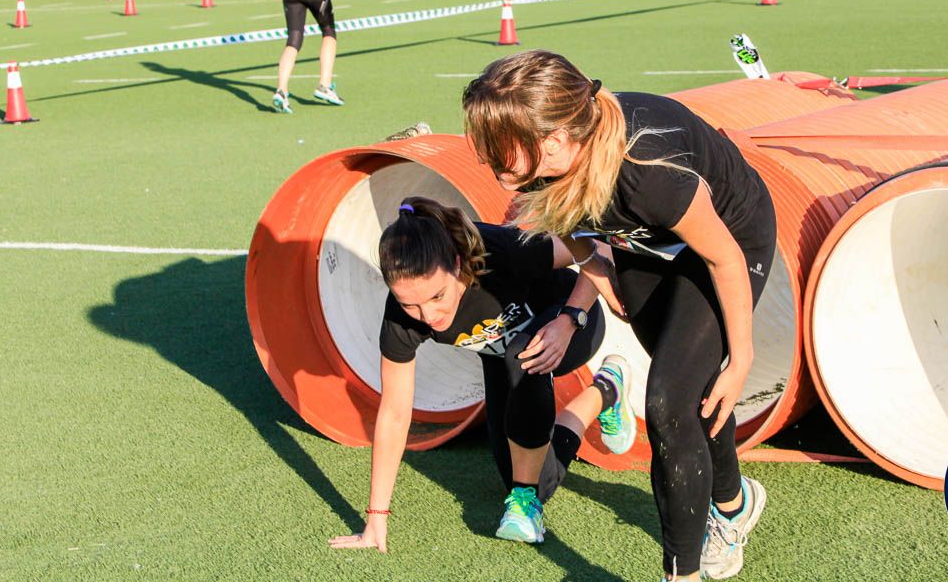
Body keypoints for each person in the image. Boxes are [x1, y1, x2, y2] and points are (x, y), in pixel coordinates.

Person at [462, 51, 777, 582]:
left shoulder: (646, 169)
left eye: (499, 147)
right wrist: (594, 268)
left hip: (729, 243)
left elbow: (723, 257)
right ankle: (734, 501)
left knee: (667, 402)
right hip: (645, 246)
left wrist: (740, 357)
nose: (491, 161)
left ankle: (683, 574)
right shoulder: (539, 164)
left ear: (555, 140)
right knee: (690, 391)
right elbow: (558, 215)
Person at [329, 197, 637, 551]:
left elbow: (599, 250)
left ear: (457, 264)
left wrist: (569, 321)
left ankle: (525, 505)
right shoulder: (402, 320)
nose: (427, 315)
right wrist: (375, 518)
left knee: (520, 353)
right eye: (408, 304)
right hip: (506, 358)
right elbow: (396, 413)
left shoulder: (501, 251)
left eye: (437, 296)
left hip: (572, 324)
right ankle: (607, 389)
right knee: (539, 479)